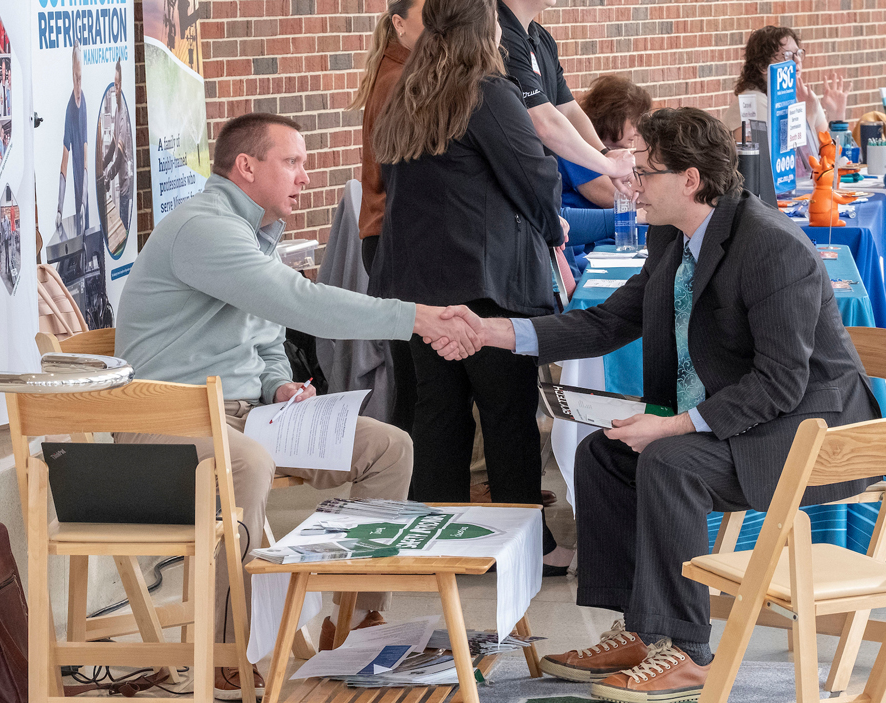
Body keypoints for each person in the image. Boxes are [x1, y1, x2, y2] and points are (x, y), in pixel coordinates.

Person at [455, 107, 881, 700]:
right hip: (743, 422)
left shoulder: (770, 246)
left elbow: (782, 382)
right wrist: (499, 332)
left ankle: (687, 652)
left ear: (690, 179)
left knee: (668, 460)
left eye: (644, 172)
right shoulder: (672, 236)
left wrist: (677, 425)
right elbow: (610, 321)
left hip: (806, 433)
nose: (630, 185)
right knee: (604, 455)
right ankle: (640, 627)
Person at [115, 112, 478, 699]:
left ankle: (357, 623)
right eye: (293, 162)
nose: (305, 177)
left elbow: (264, 336)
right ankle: (229, 650)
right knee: (248, 462)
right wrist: (414, 317)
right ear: (246, 166)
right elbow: (299, 302)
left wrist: (280, 385)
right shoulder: (205, 228)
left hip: (242, 413)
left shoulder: (254, 234)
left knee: (388, 447)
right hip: (165, 416)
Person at [368, 0, 573, 574]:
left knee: (439, 413)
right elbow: (533, 171)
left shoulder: (407, 91)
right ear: (485, 32)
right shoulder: (486, 90)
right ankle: (522, 548)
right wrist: (553, 225)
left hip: (417, 284)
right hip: (487, 284)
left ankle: (441, 543)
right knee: (507, 415)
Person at [351, 0, 424, 436]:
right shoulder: (402, 81)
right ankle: (413, 485)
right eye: (427, 18)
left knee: (413, 380)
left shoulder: (397, 71)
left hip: (388, 240)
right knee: (417, 383)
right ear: (398, 24)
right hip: (395, 240)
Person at [497, 0, 634, 194]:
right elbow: (543, 122)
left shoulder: (542, 38)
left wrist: (606, 153)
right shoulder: (501, 37)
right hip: (507, 191)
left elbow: (568, 110)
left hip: (536, 191)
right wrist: (608, 166)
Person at [722, 26, 849, 176]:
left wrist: (836, 117)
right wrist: (808, 119)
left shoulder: (801, 95)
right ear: (763, 66)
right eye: (787, 55)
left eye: (799, 53)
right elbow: (783, 164)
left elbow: (830, 157)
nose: (797, 61)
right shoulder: (753, 102)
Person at [559, 74, 653, 210]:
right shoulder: (575, 145)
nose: (637, 132)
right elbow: (613, 196)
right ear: (614, 116)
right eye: (634, 123)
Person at [100, 60, 135, 236]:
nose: (117, 88)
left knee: (123, 230)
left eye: (119, 84)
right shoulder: (117, 110)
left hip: (126, 184)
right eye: (115, 84)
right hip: (121, 181)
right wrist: (102, 164)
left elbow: (120, 155)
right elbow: (113, 146)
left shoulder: (125, 115)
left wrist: (108, 177)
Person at [58, 42, 89, 237]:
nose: (78, 85)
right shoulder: (70, 110)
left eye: (80, 78)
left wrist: (85, 201)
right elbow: (64, 161)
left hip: (83, 182)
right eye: (74, 79)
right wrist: (59, 209)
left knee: (85, 224)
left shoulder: (83, 105)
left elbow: (85, 159)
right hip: (76, 180)